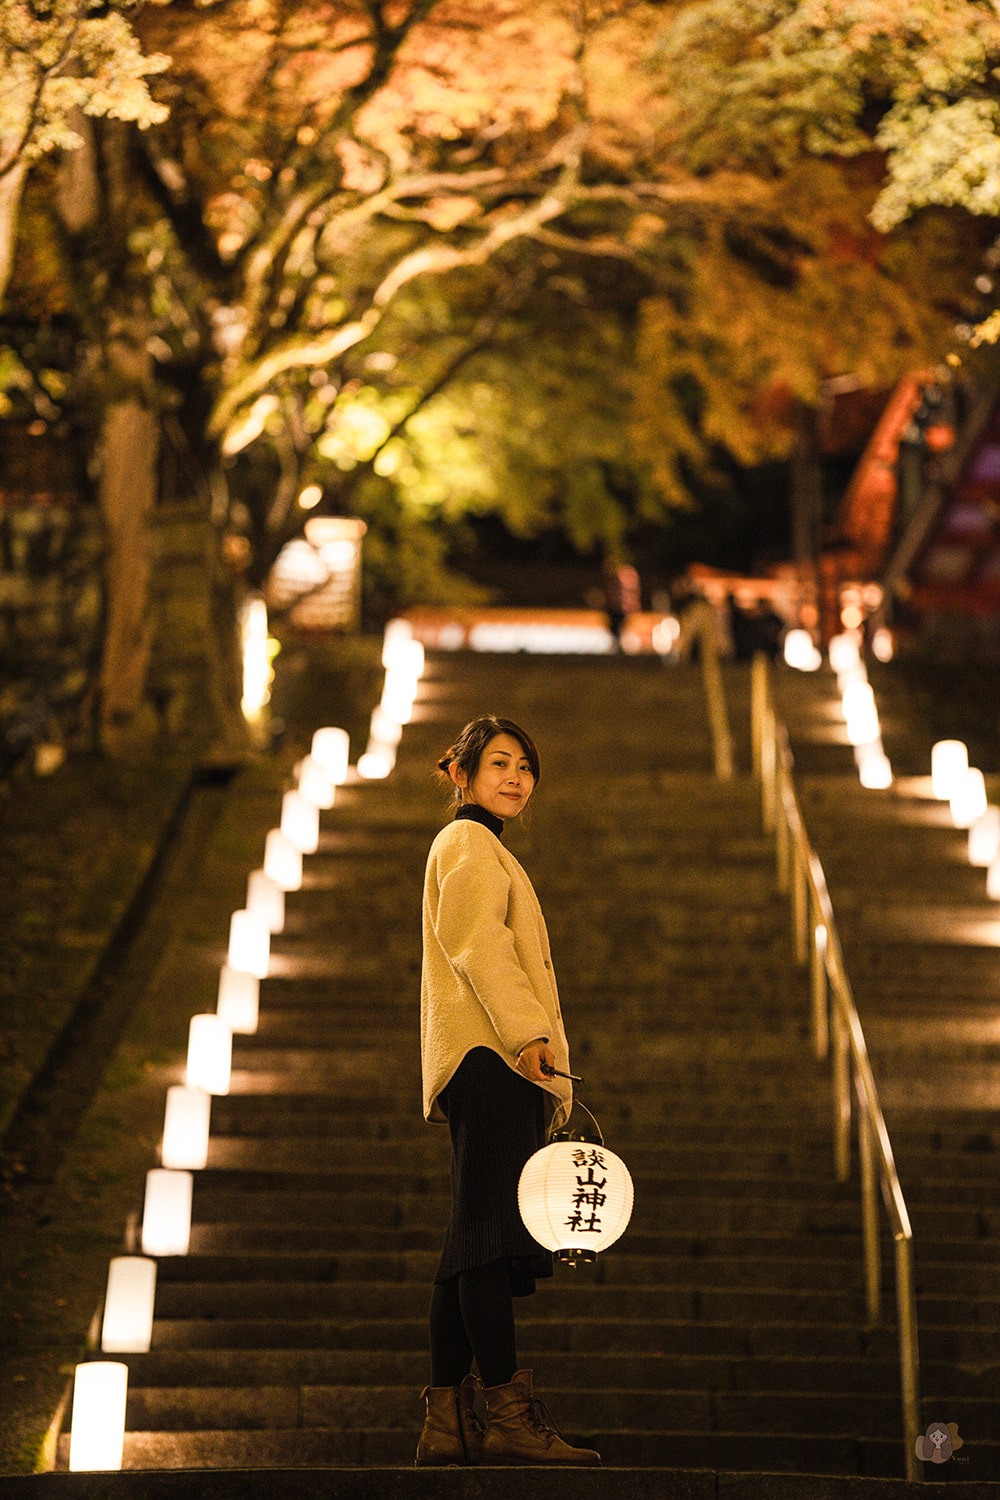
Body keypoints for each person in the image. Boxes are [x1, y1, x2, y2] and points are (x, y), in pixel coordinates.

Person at [416, 714, 601, 1468]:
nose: (516, 777)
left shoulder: (485, 847)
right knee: (487, 1237)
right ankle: (507, 1414)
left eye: (525, 765)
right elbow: (477, 943)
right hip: (492, 1057)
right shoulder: (466, 842)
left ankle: (444, 1422)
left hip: (492, 1058)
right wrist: (529, 1034)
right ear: (459, 774)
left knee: (472, 1239)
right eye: (498, 763)